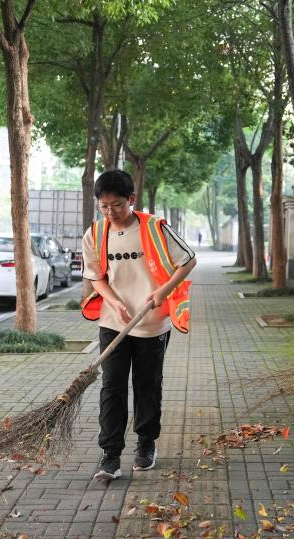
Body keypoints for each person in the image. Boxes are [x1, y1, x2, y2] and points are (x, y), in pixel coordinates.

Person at [82, 170, 197, 480]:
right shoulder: (95, 233)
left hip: (151, 322)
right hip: (113, 322)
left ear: (131, 200)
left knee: (147, 386)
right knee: (112, 387)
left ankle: (146, 444)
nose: (110, 212)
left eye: (117, 205)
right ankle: (110, 454)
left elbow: (188, 260)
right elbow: (95, 277)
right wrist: (114, 301)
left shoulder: (155, 228)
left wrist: (164, 290)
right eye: (103, 206)